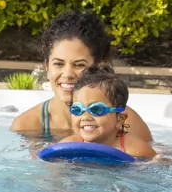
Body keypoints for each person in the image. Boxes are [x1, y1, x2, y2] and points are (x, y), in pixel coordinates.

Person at [11, 10, 154, 144]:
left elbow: (152, 160)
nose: (67, 74)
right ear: (47, 68)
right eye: (58, 64)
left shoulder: (126, 121)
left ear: (98, 66)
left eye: (79, 65)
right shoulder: (26, 125)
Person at [56, 66, 157, 160]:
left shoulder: (135, 150)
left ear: (120, 119)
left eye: (97, 109)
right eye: (77, 110)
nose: (85, 117)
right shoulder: (69, 145)